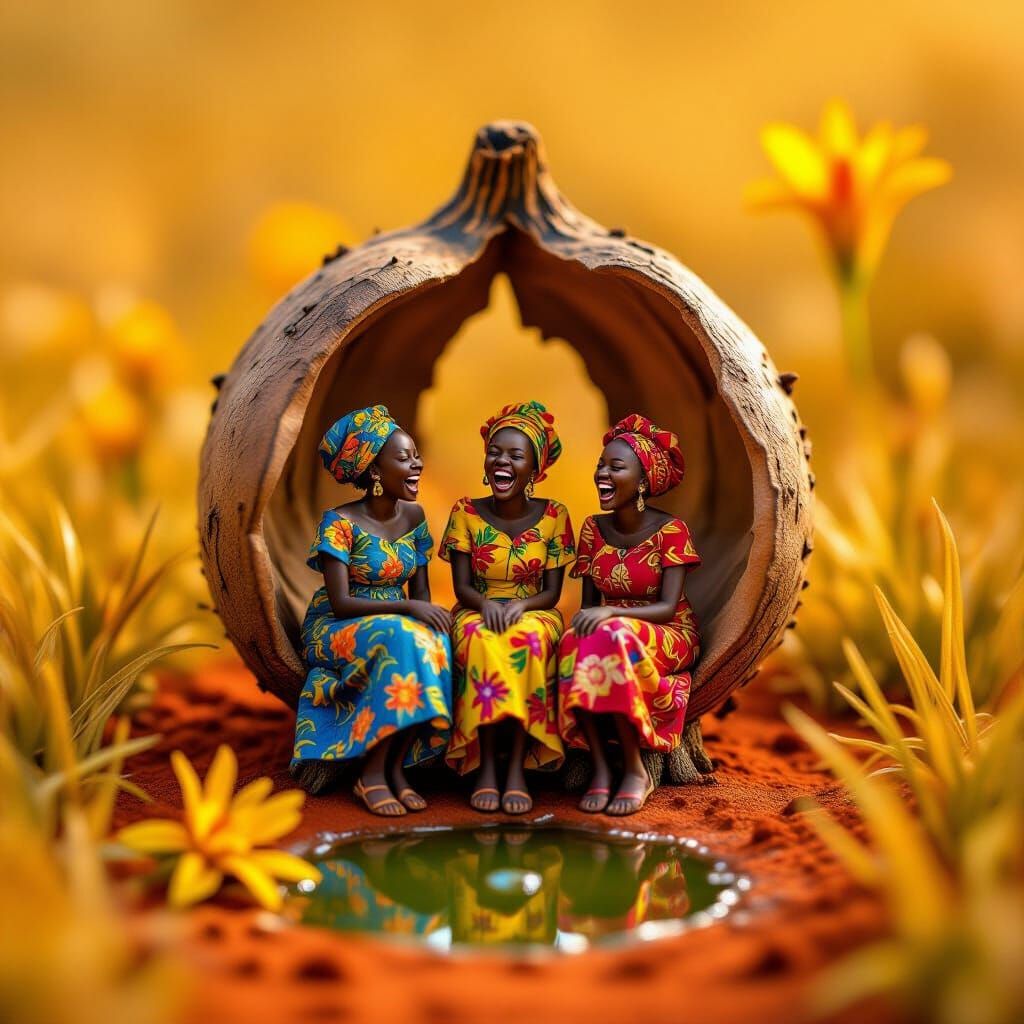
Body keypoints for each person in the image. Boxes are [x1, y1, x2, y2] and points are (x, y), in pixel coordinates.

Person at [291, 405, 452, 816]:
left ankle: (398, 768)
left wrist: (421, 611)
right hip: (337, 625)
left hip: (395, 619)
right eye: (403, 458)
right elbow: (342, 602)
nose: (416, 464)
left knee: (433, 638)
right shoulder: (339, 523)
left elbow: (422, 594)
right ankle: (372, 775)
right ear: (375, 470)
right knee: (400, 636)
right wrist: (409, 607)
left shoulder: (414, 518)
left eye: (415, 454)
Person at [557, 413, 701, 815]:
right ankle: (602, 768)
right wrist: (600, 617)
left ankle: (636, 770)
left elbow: (668, 607)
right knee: (570, 642)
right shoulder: (592, 529)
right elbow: (589, 605)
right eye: (600, 465)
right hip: (609, 628)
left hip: (666, 630)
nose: (602, 473)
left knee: (613, 635)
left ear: (642, 482)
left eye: (615, 467)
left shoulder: (671, 531)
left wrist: (609, 616)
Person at [440, 400, 575, 814]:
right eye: (496, 452)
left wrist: (519, 608)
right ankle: (483, 766)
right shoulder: (465, 513)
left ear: (534, 469)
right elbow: (462, 587)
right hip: (475, 608)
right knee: (480, 642)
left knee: (528, 642)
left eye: (516, 455)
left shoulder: (555, 516)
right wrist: (486, 605)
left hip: (535, 610)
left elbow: (552, 593)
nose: (503, 461)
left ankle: (515, 767)